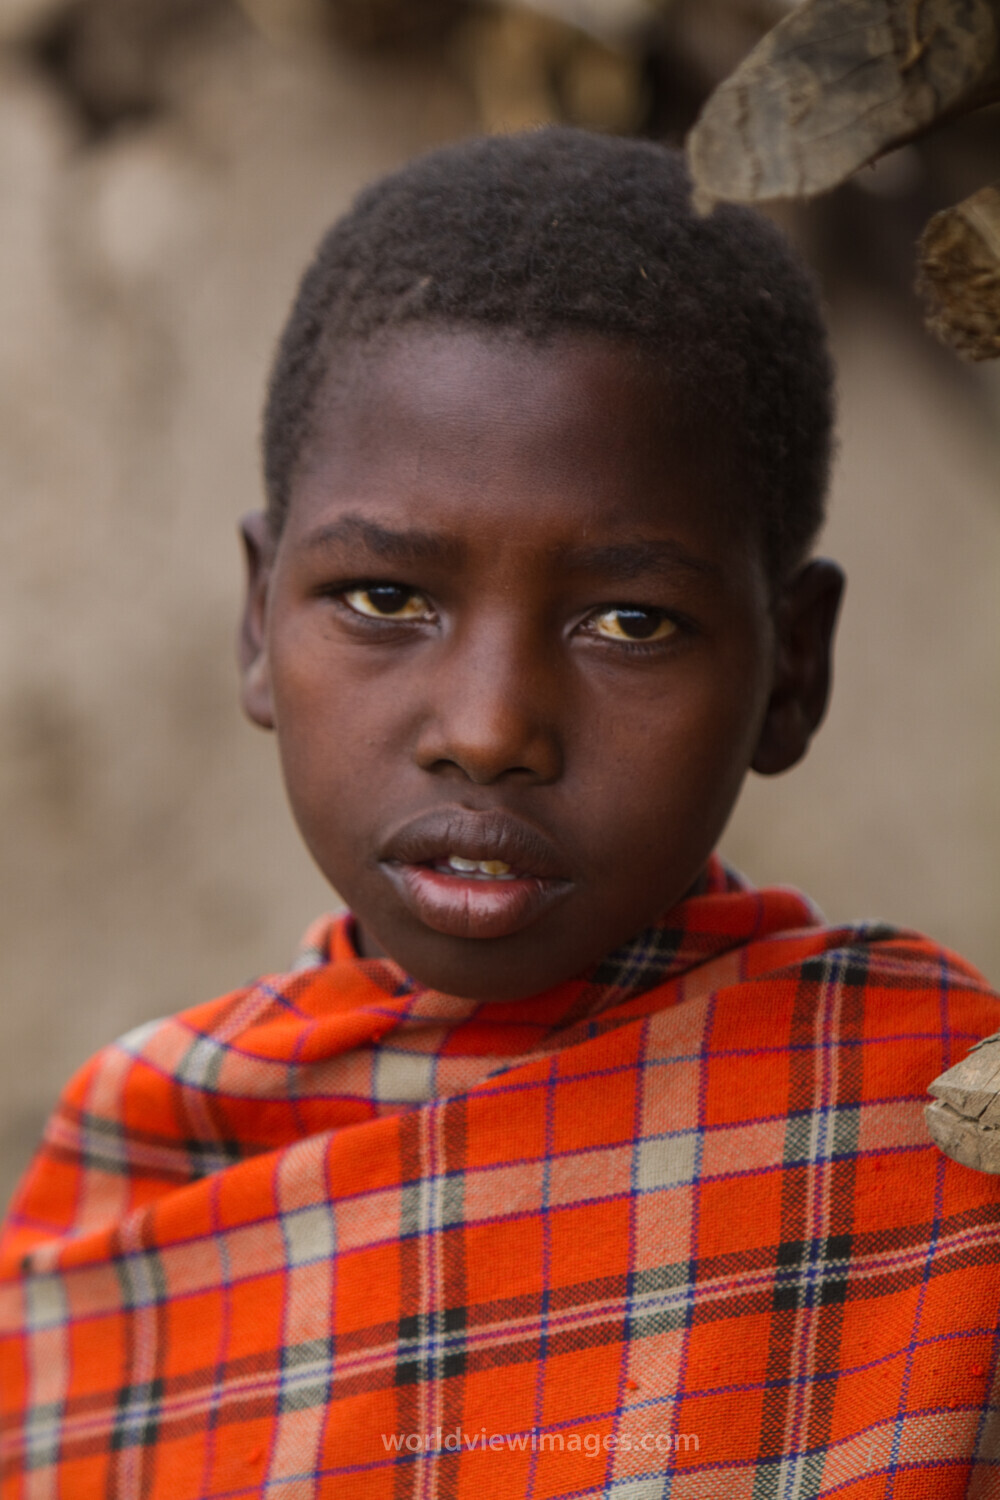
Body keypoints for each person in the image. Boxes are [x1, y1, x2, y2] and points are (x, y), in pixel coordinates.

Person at [1, 128, 997, 1499]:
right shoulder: (155, 1163)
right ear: (254, 622)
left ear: (794, 670)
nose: (487, 728)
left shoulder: (935, 1136)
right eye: (386, 599)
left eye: (630, 621)